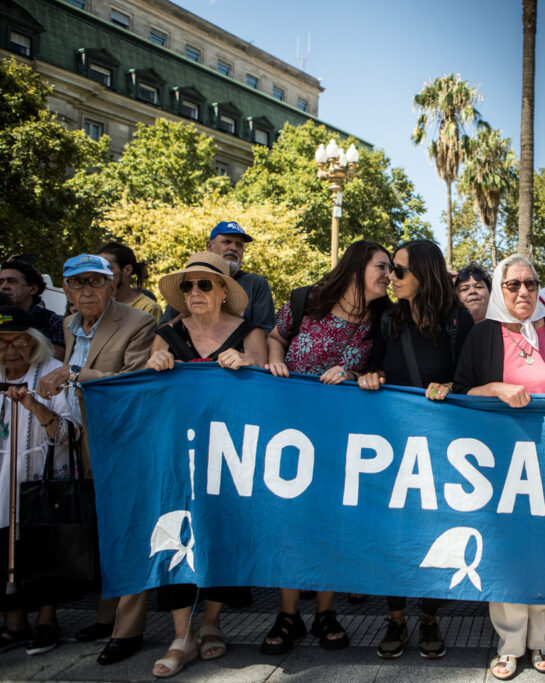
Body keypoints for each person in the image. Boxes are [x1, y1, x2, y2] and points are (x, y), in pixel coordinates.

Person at [452, 255, 545, 679]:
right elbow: (462, 392)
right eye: (513, 285)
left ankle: (542, 641)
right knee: (509, 552)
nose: (523, 292)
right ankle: (510, 643)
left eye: (530, 284)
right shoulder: (482, 336)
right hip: (501, 464)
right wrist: (494, 387)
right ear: (500, 289)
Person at [260, 239, 392, 655]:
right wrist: (276, 361)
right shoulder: (307, 300)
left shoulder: (384, 317)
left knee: (330, 521)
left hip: (342, 434)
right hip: (291, 429)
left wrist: (354, 373)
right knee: (291, 519)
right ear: (356, 268)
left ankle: (324, 612)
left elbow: (383, 369)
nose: (389, 275)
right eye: (382, 267)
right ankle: (287, 614)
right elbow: (276, 338)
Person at [144, 252, 266, 677]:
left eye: (204, 285)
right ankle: (182, 636)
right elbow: (146, 395)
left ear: (223, 293)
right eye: (188, 286)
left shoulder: (249, 333)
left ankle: (212, 621)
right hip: (176, 454)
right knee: (175, 532)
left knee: (223, 533)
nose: (194, 292)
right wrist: (153, 366)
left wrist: (250, 368)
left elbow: (269, 393)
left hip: (230, 454)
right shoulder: (165, 333)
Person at [36, 254, 156, 666]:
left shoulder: (138, 321)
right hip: (84, 438)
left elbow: (133, 383)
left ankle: (129, 630)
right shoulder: (71, 325)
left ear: (112, 284)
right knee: (100, 531)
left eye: (95, 282)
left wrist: (72, 375)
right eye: (77, 283)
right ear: (66, 291)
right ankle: (106, 618)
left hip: (127, 440)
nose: (86, 290)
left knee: (128, 530)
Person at [357, 239, 474, 660]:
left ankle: (428, 616)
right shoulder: (388, 318)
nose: (392, 277)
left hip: (440, 447)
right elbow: (373, 365)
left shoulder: (459, 321)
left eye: (400, 271)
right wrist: (369, 377)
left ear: (424, 274)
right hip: (392, 445)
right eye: (391, 270)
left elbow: (470, 380)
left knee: (431, 532)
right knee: (393, 532)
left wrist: (452, 389)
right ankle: (395, 616)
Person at [0, 307, 78, 656]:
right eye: (2, 344)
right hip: (1, 479)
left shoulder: (50, 374)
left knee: (43, 548)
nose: (11, 351)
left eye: (20, 342)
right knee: (4, 549)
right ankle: (13, 622)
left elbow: (69, 433)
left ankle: (47, 619)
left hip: (41, 476)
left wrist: (33, 404)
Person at [161, 221, 275, 333]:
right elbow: (162, 332)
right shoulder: (187, 281)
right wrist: (187, 314)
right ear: (209, 246)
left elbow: (266, 332)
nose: (233, 248)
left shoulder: (255, 284)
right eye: (227, 242)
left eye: (239, 245)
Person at [0, 260, 64, 360]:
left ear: (33, 289)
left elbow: (53, 362)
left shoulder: (52, 321)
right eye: (0, 282)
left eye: (12, 281)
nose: (4, 286)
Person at [96, 243, 161, 319]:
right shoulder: (93, 304)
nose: (100, 273)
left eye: (108, 268)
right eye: (97, 269)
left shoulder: (147, 308)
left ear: (127, 270)